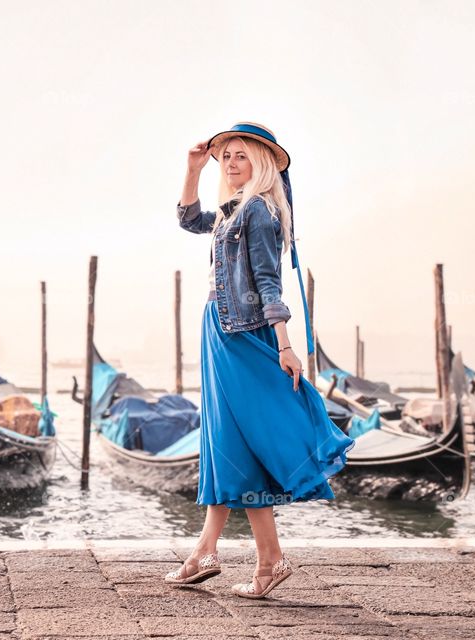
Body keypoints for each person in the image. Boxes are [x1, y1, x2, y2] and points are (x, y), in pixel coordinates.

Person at [163, 122, 355, 599]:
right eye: (224, 155)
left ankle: (224, 553)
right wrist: (191, 169)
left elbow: (270, 283)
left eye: (240, 155)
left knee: (233, 438)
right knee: (226, 440)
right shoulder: (231, 210)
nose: (229, 162)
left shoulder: (260, 213)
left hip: (244, 335)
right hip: (219, 330)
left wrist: (285, 345)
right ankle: (252, 557)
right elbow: (188, 220)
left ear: (261, 162)